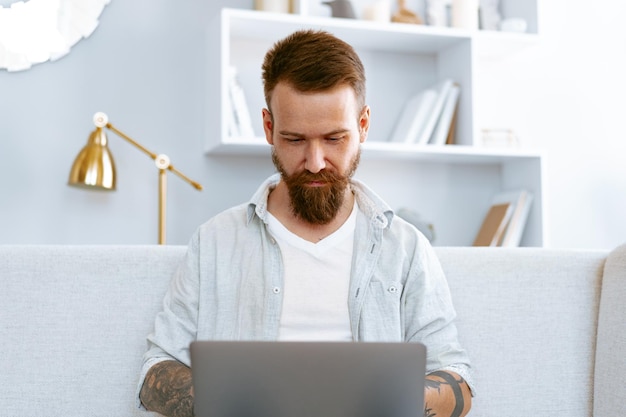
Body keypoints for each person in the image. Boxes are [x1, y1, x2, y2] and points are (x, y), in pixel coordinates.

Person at [137, 29, 474, 417]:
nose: (315, 162)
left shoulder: (406, 247)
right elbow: (154, 373)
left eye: (334, 139)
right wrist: (225, 401)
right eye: (295, 140)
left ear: (363, 126)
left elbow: (457, 379)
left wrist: (399, 399)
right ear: (268, 128)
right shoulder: (214, 242)